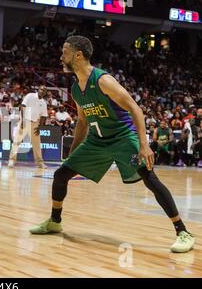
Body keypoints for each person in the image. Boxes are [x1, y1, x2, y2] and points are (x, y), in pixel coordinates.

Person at [29, 36, 195, 253]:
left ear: (78, 55)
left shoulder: (103, 81)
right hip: (96, 141)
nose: (61, 56)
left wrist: (143, 144)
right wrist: (73, 151)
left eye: (65, 51)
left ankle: (182, 231)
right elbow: (82, 120)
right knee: (61, 175)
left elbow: (135, 109)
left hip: (123, 137)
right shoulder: (76, 88)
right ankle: (55, 221)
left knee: (149, 178)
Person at [8, 85, 48, 169]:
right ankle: (11, 160)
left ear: (45, 93)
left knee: (37, 144)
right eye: (41, 89)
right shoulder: (30, 96)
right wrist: (22, 120)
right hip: (25, 120)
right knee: (17, 141)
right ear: (38, 89)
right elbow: (22, 106)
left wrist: (39, 127)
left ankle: (40, 163)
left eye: (44, 91)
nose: (42, 91)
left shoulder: (44, 103)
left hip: (35, 123)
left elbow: (44, 116)